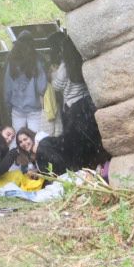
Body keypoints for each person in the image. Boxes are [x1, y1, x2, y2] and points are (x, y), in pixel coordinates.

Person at [49, 34, 109, 174]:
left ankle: (80, 170)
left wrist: (53, 74)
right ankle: (96, 167)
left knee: (74, 142)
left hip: (71, 109)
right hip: (86, 107)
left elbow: (57, 85)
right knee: (91, 139)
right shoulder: (84, 60)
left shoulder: (65, 65)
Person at [5, 35, 49, 135]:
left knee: (18, 139)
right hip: (34, 108)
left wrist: (8, 105)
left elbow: (7, 88)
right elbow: (42, 88)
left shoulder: (11, 63)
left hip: (17, 108)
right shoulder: (37, 62)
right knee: (34, 139)